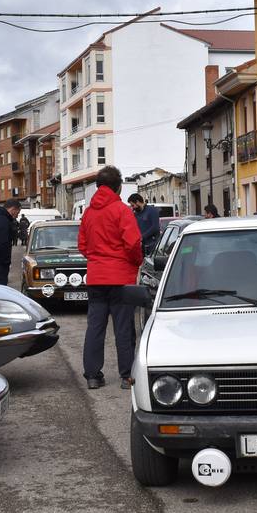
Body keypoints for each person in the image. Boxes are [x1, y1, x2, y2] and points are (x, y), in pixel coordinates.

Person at [80, 167, 145, 390]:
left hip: (97, 278)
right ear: (118, 187)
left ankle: (93, 376)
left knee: (95, 328)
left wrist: (97, 260)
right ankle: (126, 376)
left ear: (98, 186)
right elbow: (133, 243)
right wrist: (134, 262)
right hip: (121, 278)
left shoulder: (89, 212)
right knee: (123, 328)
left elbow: (82, 245)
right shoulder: (122, 210)